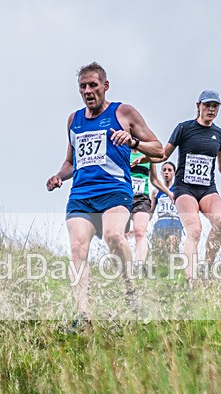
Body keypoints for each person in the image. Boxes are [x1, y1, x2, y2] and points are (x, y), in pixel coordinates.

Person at [46, 62, 163, 322]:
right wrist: (58, 176)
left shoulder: (123, 113)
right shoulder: (73, 120)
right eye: (83, 87)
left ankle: (130, 289)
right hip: (81, 194)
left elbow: (159, 150)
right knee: (77, 247)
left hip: (114, 190)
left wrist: (133, 142)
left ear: (105, 86)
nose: (88, 91)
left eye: (93, 85)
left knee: (113, 236)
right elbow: (70, 162)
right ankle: (82, 314)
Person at [158, 90, 221, 283]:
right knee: (194, 229)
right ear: (198, 106)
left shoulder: (220, 135)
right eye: (207, 105)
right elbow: (163, 154)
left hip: (207, 188)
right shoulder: (184, 128)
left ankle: (206, 269)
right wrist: (146, 156)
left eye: (215, 106)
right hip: (184, 188)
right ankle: (190, 279)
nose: (211, 109)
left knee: (220, 221)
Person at [128, 149, 172, 267]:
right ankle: (124, 265)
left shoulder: (147, 155)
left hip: (142, 199)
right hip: (124, 196)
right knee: (122, 235)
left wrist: (168, 192)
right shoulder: (123, 151)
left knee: (140, 232)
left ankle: (140, 266)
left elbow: (154, 180)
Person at [149, 162, 182, 259]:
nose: (166, 172)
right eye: (164, 170)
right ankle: (158, 271)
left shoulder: (178, 190)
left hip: (174, 222)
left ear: (174, 173)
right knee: (158, 250)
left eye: (169, 170)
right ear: (161, 173)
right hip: (160, 223)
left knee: (171, 247)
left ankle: (174, 269)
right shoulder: (156, 192)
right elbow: (150, 213)